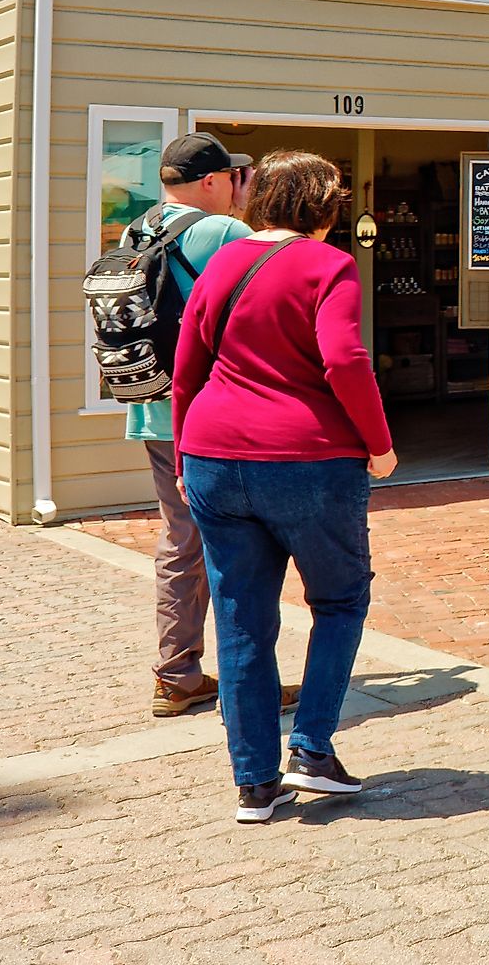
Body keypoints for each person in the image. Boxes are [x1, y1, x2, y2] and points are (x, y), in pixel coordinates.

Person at [172, 151, 397, 825]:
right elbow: (345, 357)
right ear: (323, 206)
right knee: (340, 599)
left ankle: (254, 783)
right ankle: (311, 748)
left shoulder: (222, 265)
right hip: (309, 458)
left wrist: (184, 451)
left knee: (242, 619)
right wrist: (380, 445)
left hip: (213, 452)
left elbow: (188, 364)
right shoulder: (329, 265)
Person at [121, 133, 269, 718]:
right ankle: (239, 679)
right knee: (242, 545)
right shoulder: (224, 233)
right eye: (234, 178)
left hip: (152, 407)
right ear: (213, 181)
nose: (238, 188)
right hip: (214, 415)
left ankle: (178, 670)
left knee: (181, 539)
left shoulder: (139, 229)